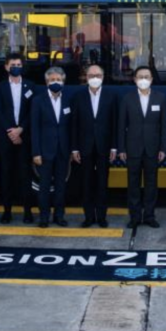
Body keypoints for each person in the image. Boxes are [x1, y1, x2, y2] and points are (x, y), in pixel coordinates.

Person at [117, 66, 166, 229]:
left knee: (151, 184)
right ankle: (135, 217)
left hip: (153, 149)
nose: (144, 79)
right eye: (140, 77)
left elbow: (164, 126)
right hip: (133, 149)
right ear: (135, 79)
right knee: (133, 184)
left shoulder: (160, 98)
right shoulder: (127, 98)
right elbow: (121, 126)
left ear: (152, 79)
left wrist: (163, 148)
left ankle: (150, 216)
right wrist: (122, 149)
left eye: (147, 76)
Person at [71, 64, 119, 228]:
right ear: (86, 77)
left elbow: (115, 123)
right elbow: (74, 124)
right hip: (84, 147)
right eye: (91, 75)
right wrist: (75, 148)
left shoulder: (111, 96)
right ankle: (89, 217)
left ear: (103, 77)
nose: (94, 78)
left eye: (98, 75)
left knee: (102, 183)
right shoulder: (78, 96)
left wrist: (114, 147)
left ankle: (102, 217)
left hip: (104, 147)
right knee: (86, 183)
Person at [0, 52, 36, 225]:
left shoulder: (30, 86)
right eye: (13, 64)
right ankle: (7, 211)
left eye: (19, 64)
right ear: (6, 67)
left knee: (26, 176)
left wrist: (21, 130)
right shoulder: (0, 87)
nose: (16, 67)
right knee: (6, 175)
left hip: (24, 137)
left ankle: (27, 212)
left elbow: (32, 111)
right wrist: (11, 132)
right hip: (6, 138)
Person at [31, 67, 73, 228]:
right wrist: (36, 152)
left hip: (63, 151)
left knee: (61, 186)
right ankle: (43, 217)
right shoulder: (38, 100)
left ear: (63, 82)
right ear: (46, 82)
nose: (56, 82)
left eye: (59, 79)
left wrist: (71, 150)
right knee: (44, 186)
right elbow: (34, 128)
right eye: (52, 79)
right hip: (44, 152)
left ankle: (59, 216)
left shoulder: (68, 99)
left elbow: (70, 127)